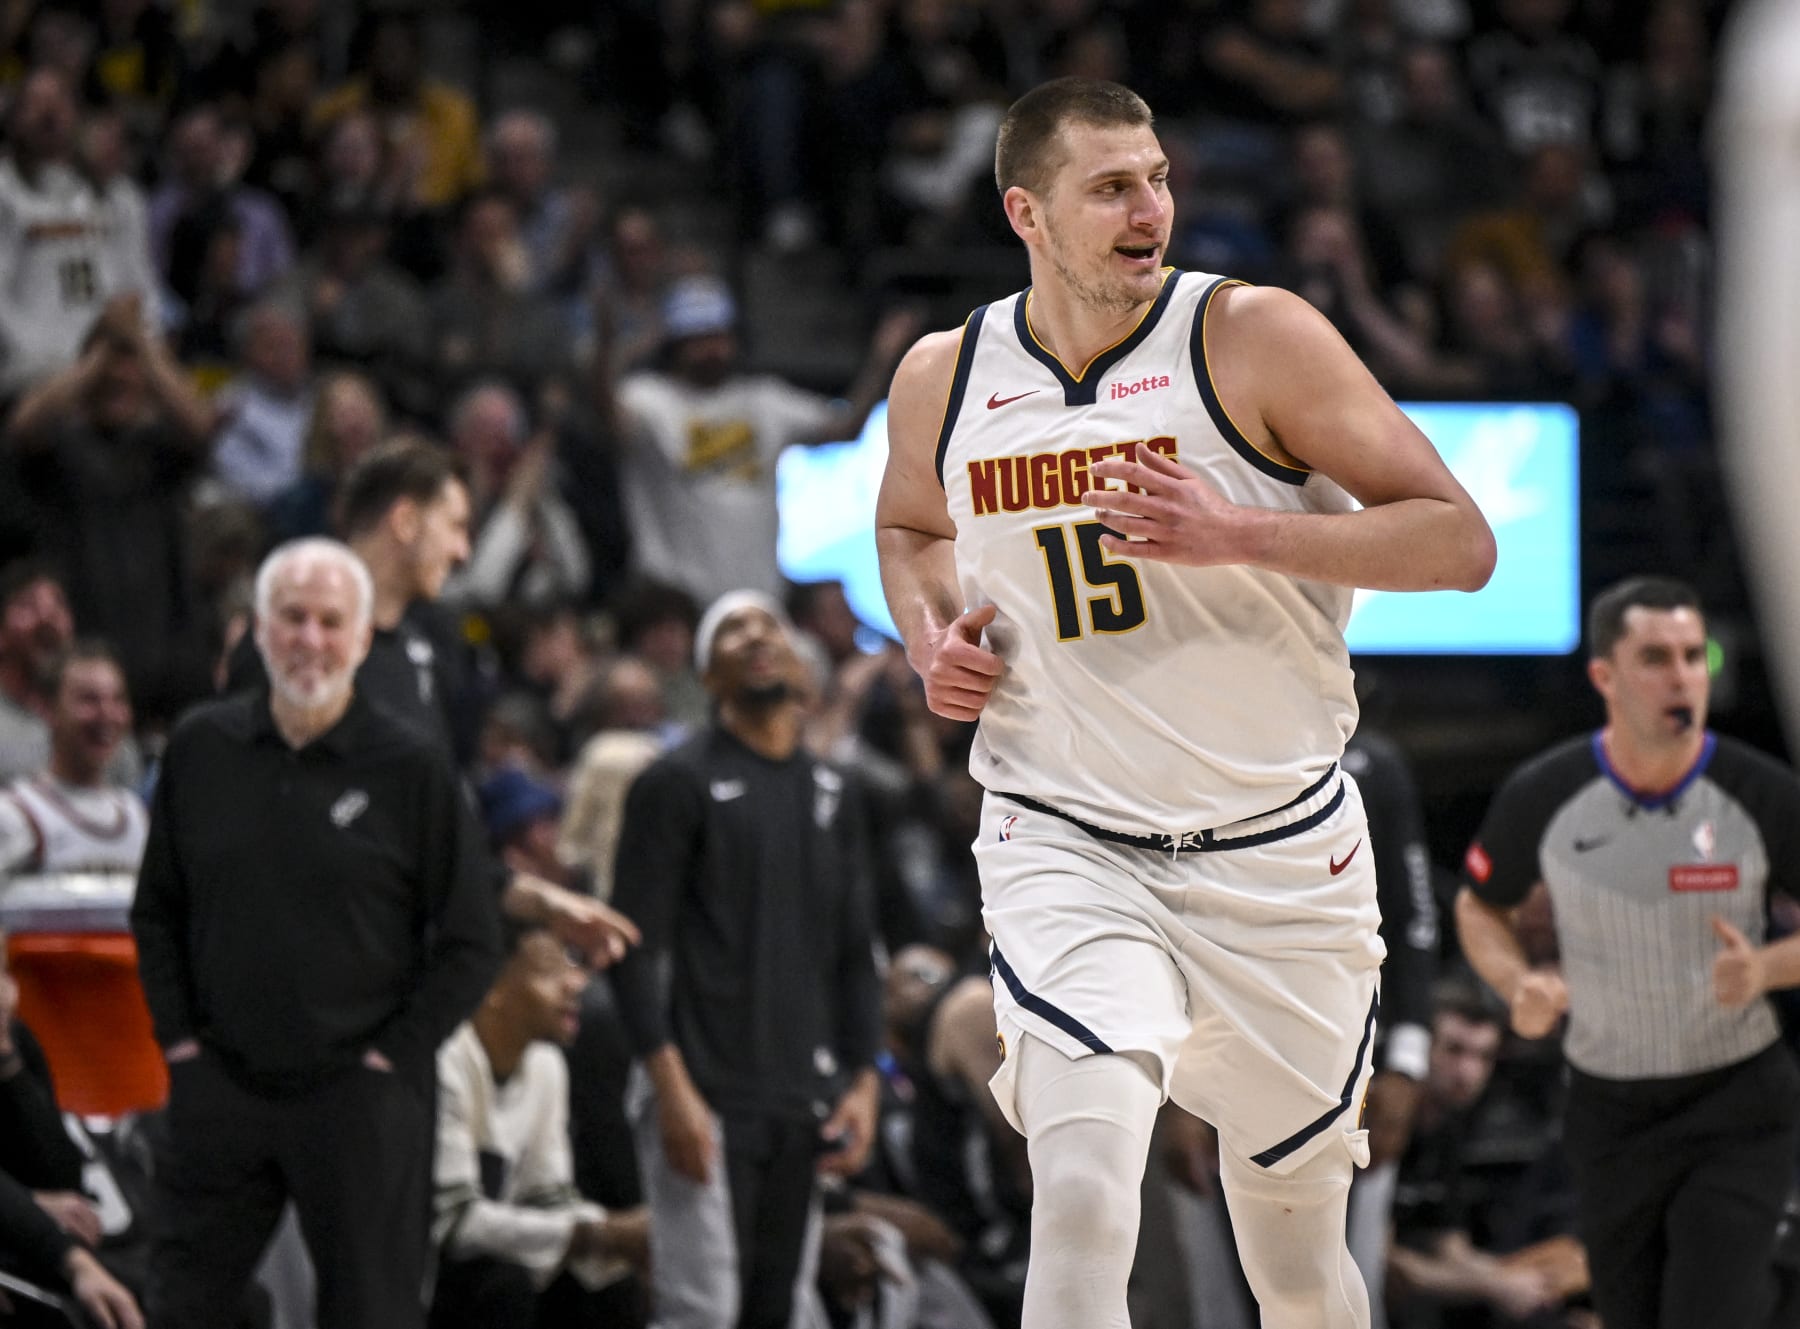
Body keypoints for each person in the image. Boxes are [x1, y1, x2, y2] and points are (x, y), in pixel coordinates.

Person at [874, 77, 1494, 1329]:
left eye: (1157, 177)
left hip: (1278, 854)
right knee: (1088, 1190)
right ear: (1026, 214)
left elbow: (1459, 541)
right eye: (1110, 186)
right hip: (1068, 838)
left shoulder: (1255, 336)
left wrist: (1241, 535)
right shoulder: (947, 376)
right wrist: (930, 636)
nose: (1149, 206)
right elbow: (907, 525)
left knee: (1298, 1264)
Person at [130, 537, 502, 1329]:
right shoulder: (200, 747)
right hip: (221, 1085)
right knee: (180, 1308)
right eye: (292, 618)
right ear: (257, 630)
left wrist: (391, 1055)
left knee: (372, 1314)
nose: (310, 639)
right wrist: (182, 1043)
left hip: (360, 1097)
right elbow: (157, 910)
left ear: (364, 638)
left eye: (331, 622)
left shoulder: (412, 767)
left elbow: (472, 938)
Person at [1454, 575, 1800, 1329]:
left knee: (1713, 1307)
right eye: (1656, 656)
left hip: (1737, 1104)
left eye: (1693, 654)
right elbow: (1479, 905)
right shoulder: (1547, 792)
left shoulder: (1761, 793)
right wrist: (1520, 984)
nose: (1682, 674)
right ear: (1606, 676)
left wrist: (1768, 967)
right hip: (1610, 1110)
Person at [224, 438, 638, 965]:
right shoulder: (286, 645)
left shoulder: (432, 646)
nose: (463, 550)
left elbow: (436, 842)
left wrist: (546, 903)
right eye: (456, 525)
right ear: (405, 522)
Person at [609, 590, 884, 1329]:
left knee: (775, 1310)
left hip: (799, 1095)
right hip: (703, 1092)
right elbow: (633, 950)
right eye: (731, 629)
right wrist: (667, 1085)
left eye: (769, 624)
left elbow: (856, 950)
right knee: (703, 1310)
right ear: (707, 675)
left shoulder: (835, 790)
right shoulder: (673, 783)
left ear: (801, 666)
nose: (755, 635)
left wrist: (863, 1078)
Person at [430, 916, 649, 1329]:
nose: (576, 983)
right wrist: (599, 1234)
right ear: (491, 988)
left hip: (501, 1254)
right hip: (425, 1275)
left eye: (572, 965)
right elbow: (453, 1223)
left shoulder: (547, 1065)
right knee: (502, 1285)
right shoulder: (446, 1061)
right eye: (550, 971)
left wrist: (621, 1240)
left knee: (611, 1282)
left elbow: (548, 1197)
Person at [1382, 981, 1585, 1325]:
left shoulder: (1447, 1130)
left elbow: (1451, 1247)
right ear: (1424, 1046)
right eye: (1454, 1050)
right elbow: (1384, 1263)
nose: (1467, 1072)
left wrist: (1539, 1280)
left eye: (1482, 1056)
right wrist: (1495, 1285)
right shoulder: (1385, 1126)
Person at [0, 641, 145, 876]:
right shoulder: (17, 815)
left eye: (118, 699)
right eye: (89, 699)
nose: (107, 714)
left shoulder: (136, 817)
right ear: (48, 709)